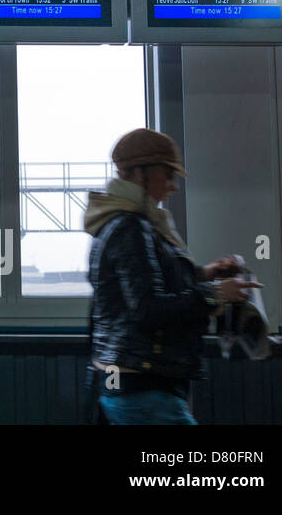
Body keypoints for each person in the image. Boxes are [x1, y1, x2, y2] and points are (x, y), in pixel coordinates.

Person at [85, 128, 259, 424]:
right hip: (143, 383)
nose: (173, 186)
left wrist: (204, 274)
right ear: (139, 174)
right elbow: (148, 309)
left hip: (126, 379)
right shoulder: (133, 227)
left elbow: (144, 285)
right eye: (167, 175)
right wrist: (215, 294)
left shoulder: (117, 223)